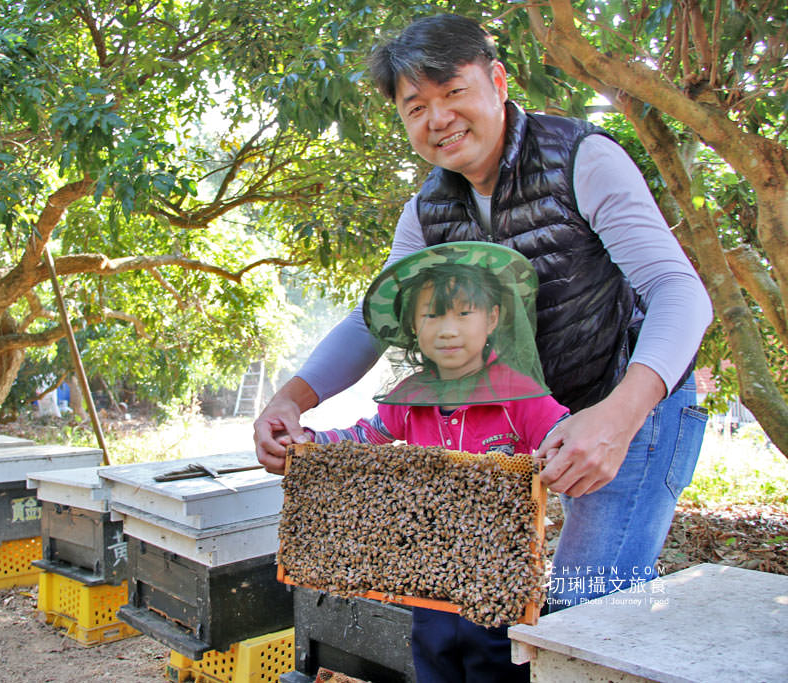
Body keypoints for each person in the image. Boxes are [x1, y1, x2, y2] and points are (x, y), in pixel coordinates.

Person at [256, 10, 711, 671]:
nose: (437, 118)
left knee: (582, 617)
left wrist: (616, 416)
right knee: (481, 610)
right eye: (416, 106)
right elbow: (368, 322)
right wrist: (288, 400)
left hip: (635, 400)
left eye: (453, 92)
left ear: (497, 81)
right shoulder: (427, 211)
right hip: (523, 417)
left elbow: (681, 293)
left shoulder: (583, 159)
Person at [297, 241, 569, 681]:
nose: (448, 330)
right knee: (434, 658)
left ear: (493, 319)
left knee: (494, 665)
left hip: (498, 577)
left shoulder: (519, 396)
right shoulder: (411, 396)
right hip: (430, 575)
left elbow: (561, 436)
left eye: (464, 313)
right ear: (413, 326)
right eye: (433, 315)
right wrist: (309, 442)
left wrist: (566, 451)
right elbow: (365, 437)